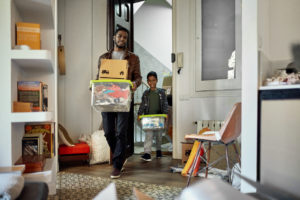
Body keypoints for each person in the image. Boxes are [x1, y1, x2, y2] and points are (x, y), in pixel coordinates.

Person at [96, 27, 142, 179]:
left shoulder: (133, 58)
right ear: (114, 37)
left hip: (123, 98)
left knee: (121, 132)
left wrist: (135, 84)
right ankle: (120, 157)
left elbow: (138, 78)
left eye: (125, 37)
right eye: (120, 36)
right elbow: (99, 77)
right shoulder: (103, 57)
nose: (122, 39)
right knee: (108, 131)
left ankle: (117, 165)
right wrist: (94, 87)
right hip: (107, 98)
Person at [137, 71, 168, 161]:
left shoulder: (161, 92)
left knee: (159, 136)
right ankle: (147, 153)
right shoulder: (146, 93)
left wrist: (166, 115)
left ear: (157, 80)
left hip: (159, 117)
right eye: (149, 81)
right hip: (148, 118)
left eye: (153, 80)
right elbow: (142, 104)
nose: (152, 83)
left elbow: (165, 104)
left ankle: (158, 151)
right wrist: (139, 113)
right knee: (148, 135)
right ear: (147, 82)